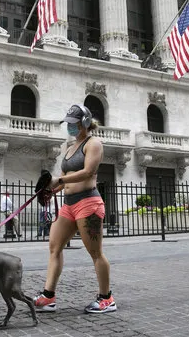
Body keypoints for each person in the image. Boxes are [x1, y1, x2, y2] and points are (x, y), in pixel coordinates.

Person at [33, 104, 116, 314]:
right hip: (69, 205)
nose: (69, 127)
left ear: (85, 123)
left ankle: (106, 298)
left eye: (73, 124)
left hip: (88, 204)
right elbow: (63, 180)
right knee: (54, 247)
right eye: (68, 124)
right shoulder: (69, 148)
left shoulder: (94, 143)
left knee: (95, 252)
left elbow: (89, 172)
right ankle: (48, 296)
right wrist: (52, 191)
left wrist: (57, 179)